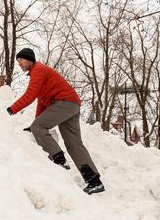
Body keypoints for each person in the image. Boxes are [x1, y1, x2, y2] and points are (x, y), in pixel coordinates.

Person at [6, 48, 105, 195]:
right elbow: (42, 102)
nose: (19, 63)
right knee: (73, 144)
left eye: (20, 60)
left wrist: (11, 110)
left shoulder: (38, 70)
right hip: (71, 104)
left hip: (64, 102)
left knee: (38, 127)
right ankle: (94, 181)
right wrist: (36, 122)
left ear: (29, 59)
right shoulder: (39, 72)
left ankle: (59, 160)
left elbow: (30, 95)